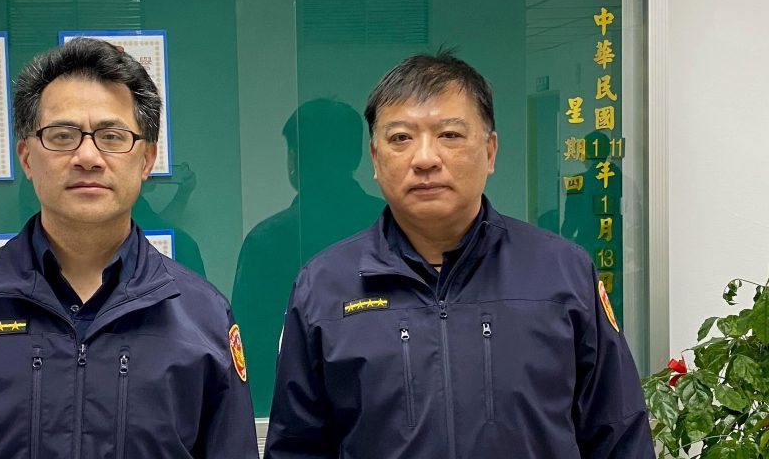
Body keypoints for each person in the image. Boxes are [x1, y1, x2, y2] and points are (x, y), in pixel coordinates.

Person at [264, 52, 654, 459]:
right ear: (376, 160)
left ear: (490, 151)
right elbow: (296, 448)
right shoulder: (324, 286)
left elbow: (618, 437)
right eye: (401, 138)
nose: (425, 158)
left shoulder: (562, 272)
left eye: (449, 135)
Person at [0, 38, 259, 458]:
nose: (88, 156)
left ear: (147, 159)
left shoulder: (202, 316)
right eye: (62, 136)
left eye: (112, 136)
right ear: (27, 157)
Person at [233, 98, 382, 414]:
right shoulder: (390, 226)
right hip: (384, 407)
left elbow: (249, 352)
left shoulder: (266, 241)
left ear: (294, 159)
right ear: (357, 156)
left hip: (294, 413)